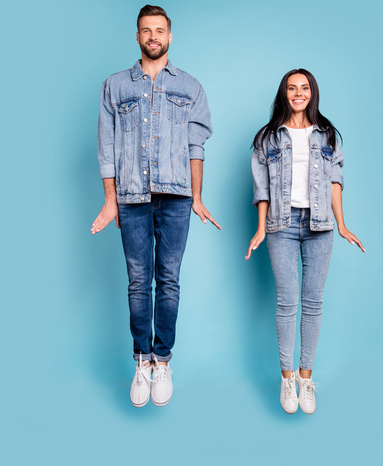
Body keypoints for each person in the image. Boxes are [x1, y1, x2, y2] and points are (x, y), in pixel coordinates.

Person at [91, 5, 220, 408]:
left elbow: (196, 147)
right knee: (136, 280)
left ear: (169, 36)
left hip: (178, 196)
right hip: (130, 196)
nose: (153, 36)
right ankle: (141, 360)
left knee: (169, 280)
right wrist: (110, 200)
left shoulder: (191, 86)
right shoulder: (115, 86)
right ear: (137, 37)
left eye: (159, 30)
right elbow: (107, 147)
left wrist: (197, 196)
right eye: (146, 30)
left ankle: (162, 361)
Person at [246, 69, 365, 414]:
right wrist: (260, 228)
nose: (298, 93)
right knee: (288, 302)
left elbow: (335, 182)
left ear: (312, 93)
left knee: (313, 302)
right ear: (283, 93)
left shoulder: (327, 135)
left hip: (320, 226)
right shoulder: (268, 137)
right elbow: (262, 189)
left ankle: (305, 378)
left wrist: (341, 225)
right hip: (280, 225)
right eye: (292, 88)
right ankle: (286, 379)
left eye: (304, 88)